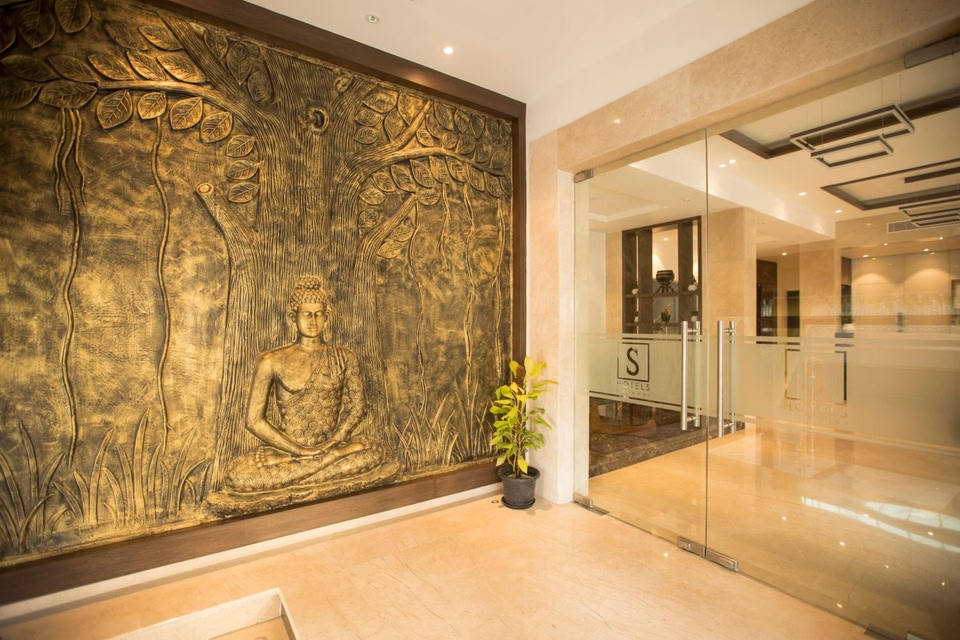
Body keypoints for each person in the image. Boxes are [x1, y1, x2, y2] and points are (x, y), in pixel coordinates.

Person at [223, 276, 382, 494]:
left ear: (326, 317)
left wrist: (333, 443)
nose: (313, 321)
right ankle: (326, 459)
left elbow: (357, 407)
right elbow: (254, 421)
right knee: (237, 475)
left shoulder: (344, 357)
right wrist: (298, 450)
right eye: (307, 314)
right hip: (288, 446)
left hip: (331, 443)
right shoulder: (271, 361)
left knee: (374, 450)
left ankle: (319, 459)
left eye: (318, 314)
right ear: (293, 317)